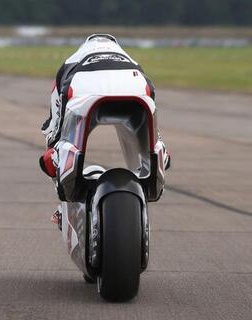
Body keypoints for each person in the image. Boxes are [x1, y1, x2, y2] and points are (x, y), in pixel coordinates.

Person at [39, 34, 170, 222]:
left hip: (82, 89)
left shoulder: (69, 63)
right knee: (155, 152)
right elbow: (150, 95)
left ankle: (64, 208)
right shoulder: (132, 61)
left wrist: (55, 161)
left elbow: (51, 128)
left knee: (54, 152)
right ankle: (149, 180)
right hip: (134, 83)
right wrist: (161, 155)